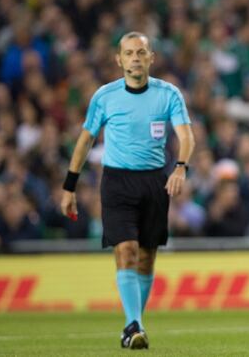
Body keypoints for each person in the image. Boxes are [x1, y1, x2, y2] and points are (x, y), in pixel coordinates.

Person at [60, 32, 194, 350]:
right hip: (117, 182)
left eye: (141, 52)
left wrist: (180, 167)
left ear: (151, 57)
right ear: (118, 59)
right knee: (127, 251)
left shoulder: (168, 94)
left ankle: (134, 324)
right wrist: (70, 186)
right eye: (129, 53)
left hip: (154, 182)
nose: (135, 58)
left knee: (146, 259)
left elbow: (186, 136)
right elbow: (85, 140)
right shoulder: (105, 97)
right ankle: (133, 324)